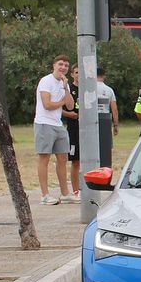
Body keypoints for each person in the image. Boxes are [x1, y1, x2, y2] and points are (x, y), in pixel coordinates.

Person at [34, 55, 73, 205]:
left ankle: (65, 193)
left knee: (63, 158)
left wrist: (65, 88)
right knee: (45, 157)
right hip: (44, 123)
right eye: (60, 64)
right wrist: (62, 101)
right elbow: (47, 104)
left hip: (58, 124)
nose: (63, 67)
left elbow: (70, 106)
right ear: (54, 66)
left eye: (66, 65)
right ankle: (45, 195)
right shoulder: (46, 81)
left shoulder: (64, 84)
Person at [62, 63, 82, 201]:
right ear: (72, 74)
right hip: (73, 129)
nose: (79, 76)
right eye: (76, 73)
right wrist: (71, 115)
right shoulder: (69, 90)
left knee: (91, 161)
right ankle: (76, 191)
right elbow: (60, 109)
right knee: (76, 161)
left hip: (88, 130)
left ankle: (87, 189)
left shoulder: (90, 89)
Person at [95, 66, 119, 169]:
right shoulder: (109, 90)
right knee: (105, 147)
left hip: (92, 119)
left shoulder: (89, 88)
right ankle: (105, 168)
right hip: (105, 119)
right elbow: (114, 109)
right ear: (104, 76)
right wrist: (115, 125)